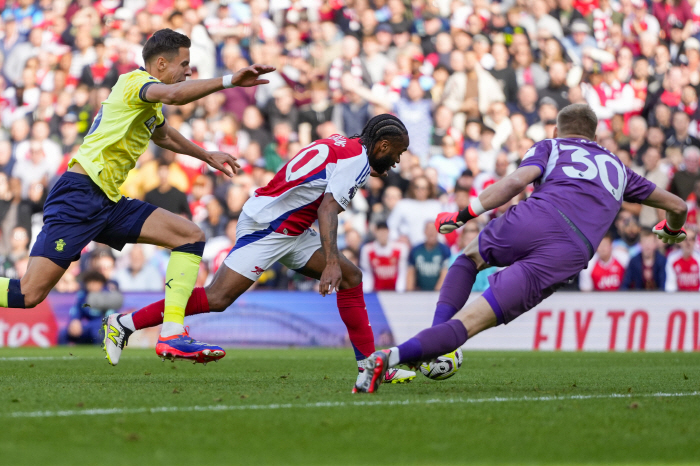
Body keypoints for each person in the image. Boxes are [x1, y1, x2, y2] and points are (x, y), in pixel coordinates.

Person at [354, 104, 688, 393]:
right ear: (595, 136)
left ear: (558, 130)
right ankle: (388, 359)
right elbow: (677, 205)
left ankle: (431, 336)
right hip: (569, 250)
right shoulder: (619, 168)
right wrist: (671, 230)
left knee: (468, 258)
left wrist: (464, 213)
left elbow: (516, 182)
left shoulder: (552, 146)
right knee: (469, 323)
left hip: (535, 216)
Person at [0, 29, 275, 365]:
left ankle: (172, 334)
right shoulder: (134, 82)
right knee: (28, 294)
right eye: (184, 64)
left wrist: (206, 155)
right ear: (161, 63)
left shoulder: (148, 103)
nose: (189, 71)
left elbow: (164, 135)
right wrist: (230, 80)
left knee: (190, 235)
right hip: (78, 196)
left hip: (107, 201)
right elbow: (174, 95)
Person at [104, 114, 416, 386]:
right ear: (383, 146)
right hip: (270, 225)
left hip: (291, 226)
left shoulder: (344, 144)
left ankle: (370, 366)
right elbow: (328, 210)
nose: (398, 161)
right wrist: (331, 261)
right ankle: (124, 323)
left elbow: (327, 178)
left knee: (352, 277)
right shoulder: (357, 161)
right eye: (398, 153)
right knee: (218, 298)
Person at [360, 222, 408, 292]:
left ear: (388, 232)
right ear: (375, 232)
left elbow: (402, 272)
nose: (382, 235)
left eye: (384, 232)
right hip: (376, 292)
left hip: (394, 291)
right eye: (380, 232)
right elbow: (368, 273)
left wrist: (400, 293)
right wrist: (368, 293)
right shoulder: (367, 250)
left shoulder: (400, 249)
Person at [406, 222, 451, 291]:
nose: (431, 232)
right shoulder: (416, 250)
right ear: (424, 232)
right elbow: (410, 273)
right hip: (419, 293)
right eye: (428, 229)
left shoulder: (444, 250)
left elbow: (444, 276)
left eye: (433, 229)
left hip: (437, 293)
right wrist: (409, 294)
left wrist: (435, 294)